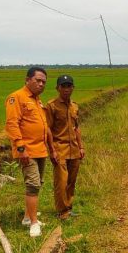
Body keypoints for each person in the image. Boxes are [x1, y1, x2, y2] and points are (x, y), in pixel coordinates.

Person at [5, 66, 51, 237]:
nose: (41, 84)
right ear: (27, 80)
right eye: (37, 80)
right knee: (32, 184)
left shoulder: (37, 100)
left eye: (44, 82)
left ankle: (27, 217)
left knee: (38, 183)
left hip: (40, 149)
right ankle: (33, 223)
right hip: (27, 150)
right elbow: (12, 124)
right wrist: (21, 148)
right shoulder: (17, 97)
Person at [45, 74, 85, 220]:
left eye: (69, 86)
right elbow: (48, 129)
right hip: (59, 148)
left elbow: (76, 128)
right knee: (61, 181)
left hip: (74, 149)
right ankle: (62, 211)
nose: (67, 89)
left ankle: (68, 207)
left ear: (73, 88)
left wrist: (81, 147)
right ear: (58, 88)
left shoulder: (74, 106)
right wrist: (52, 150)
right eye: (64, 86)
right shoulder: (51, 106)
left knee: (71, 181)